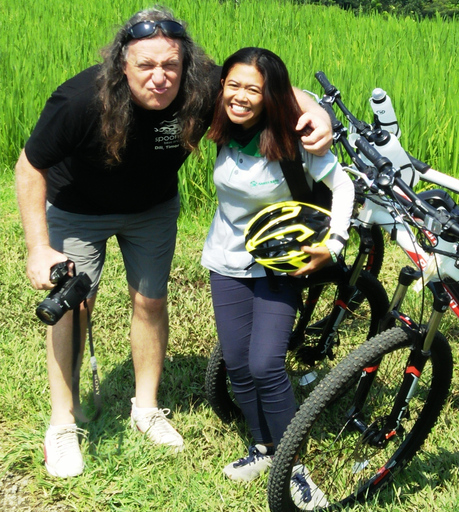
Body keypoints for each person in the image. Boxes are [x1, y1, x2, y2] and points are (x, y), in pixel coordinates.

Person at [14, 7, 333, 479]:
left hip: (152, 209)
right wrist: (39, 247)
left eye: (170, 65)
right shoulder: (82, 99)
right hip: (79, 208)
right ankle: (62, 424)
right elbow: (29, 167)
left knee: (150, 301)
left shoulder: (201, 82)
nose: (160, 77)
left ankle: (146, 409)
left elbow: (268, 84)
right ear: (122, 64)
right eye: (146, 65)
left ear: (186, 63)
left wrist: (317, 112)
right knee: (74, 307)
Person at [200, 47, 353, 497]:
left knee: (266, 364)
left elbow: (343, 186)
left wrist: (333, 244)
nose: (241, 96)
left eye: (254, 89)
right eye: (234, 85)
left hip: (279, 264)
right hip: (225, 260)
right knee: (238, 366)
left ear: (272, 95)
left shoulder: (293, 139)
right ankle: (264, 447)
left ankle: (294, 469)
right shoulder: (221, 126)